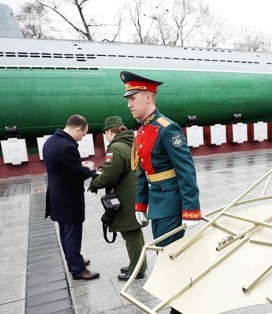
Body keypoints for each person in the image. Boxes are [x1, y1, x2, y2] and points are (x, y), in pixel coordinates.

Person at [120, 71, 201, 248]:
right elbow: (143, 171)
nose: (129, 105)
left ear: (148, 97)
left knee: (169, 257)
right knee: (163, 253)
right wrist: (140, 204)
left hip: (171, 205)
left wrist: (191, 209)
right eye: (128, 100)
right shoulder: (142, 131)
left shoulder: (168, 128)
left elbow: (186, 171)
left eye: (133, 99)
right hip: (157, 204)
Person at [89, 116, 148, 281]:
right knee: (135, 231)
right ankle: (139, 264)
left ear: (109, 131)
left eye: (105, 133)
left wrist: (95, 183)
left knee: (130, 233)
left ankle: (136, 269)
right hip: (136, 192)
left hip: (126, 196)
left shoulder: (116, 148)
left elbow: (110, 175)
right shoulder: (131, 143)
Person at [43, 114, 100, 280]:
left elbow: (62, 167)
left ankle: (73, 260)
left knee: (65, 231)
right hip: (69, 198)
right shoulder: (68, 146)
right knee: (73, 233)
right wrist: (88, 168)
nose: (82, 138)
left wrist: (78, 164)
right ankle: (78, 269)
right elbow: (77, 175)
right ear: (78, 128)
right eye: (83, 134)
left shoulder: (51, 141)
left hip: (56, 195)